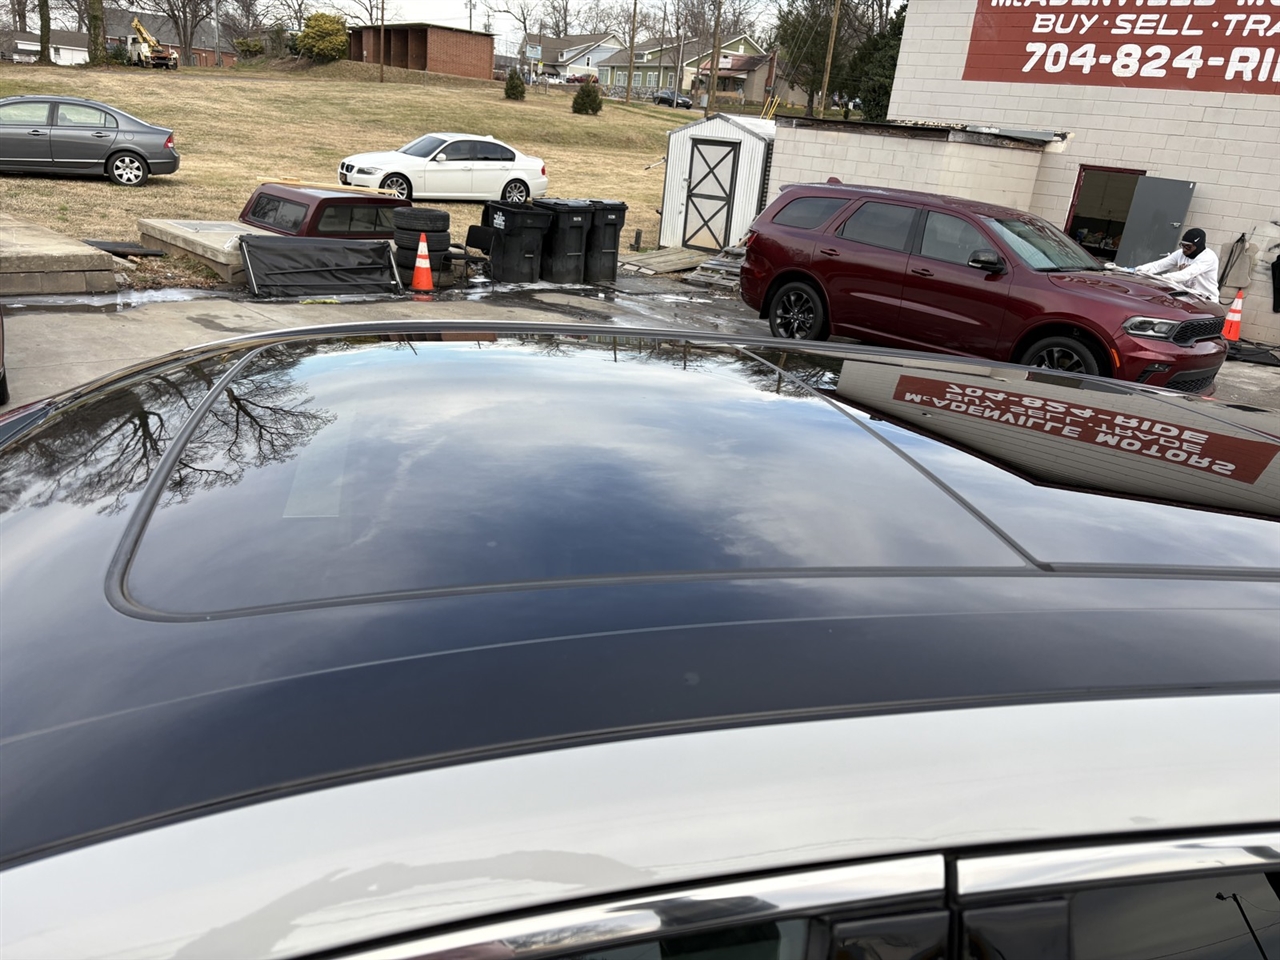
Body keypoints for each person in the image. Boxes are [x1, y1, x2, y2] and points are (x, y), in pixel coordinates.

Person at [1134, 228, 1220, 302]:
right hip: (1187, 295)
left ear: (1198, 246)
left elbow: (1185, 274)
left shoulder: (1208, 257)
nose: (1184, 250)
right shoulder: (1180, 253)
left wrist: (1160, 279)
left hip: (1205, 298)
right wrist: (1139, 269)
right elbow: (1159, 265)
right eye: (1182, 245)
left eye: (1188, 247)